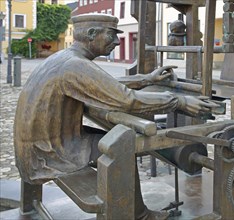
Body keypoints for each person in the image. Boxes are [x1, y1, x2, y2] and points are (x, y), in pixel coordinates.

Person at [14, 13, 218, 219]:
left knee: (111, 144)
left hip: (38, 147)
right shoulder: (75, 65)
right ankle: (140, 216)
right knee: (121, 151)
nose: (117, 42)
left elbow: (103, 83)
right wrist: (180, 101)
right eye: (111, 35)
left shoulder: (65, 58)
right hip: (49, 153)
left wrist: (145, 79)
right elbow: (127, 100)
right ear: (92, 34)